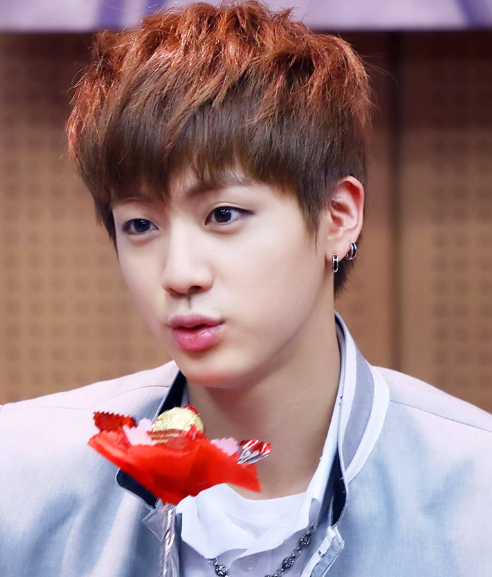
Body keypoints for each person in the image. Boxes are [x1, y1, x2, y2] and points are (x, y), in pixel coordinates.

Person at [1, 2, 492, 576]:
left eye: (224, 214)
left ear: (337, 217)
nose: (179, 273)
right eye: (140, 225)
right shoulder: (22, 478)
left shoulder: (474, 493)